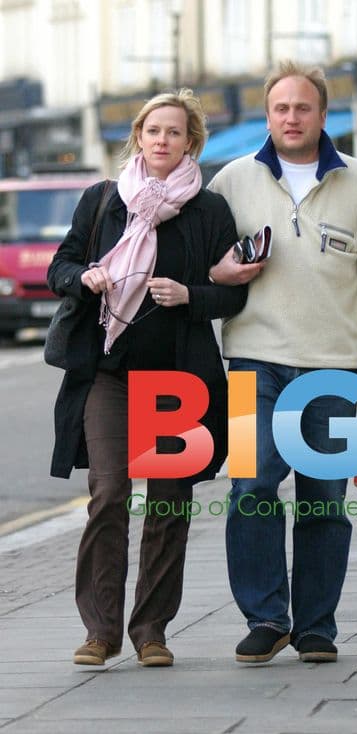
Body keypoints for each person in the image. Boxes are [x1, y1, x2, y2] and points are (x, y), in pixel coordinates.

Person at [208, 61, 357, 665]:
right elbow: (201, 261)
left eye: (302, 108)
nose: (290, 118)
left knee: (325, 499)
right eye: (280, 108)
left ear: (323, 115)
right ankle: (267, 616)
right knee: (252, 488)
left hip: (336, 369)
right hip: (251, 362)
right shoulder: (232, 180)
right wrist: (218, 272)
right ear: (267, 115)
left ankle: (317, 626)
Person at [47, 89, 247, 668]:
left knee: (169, 502)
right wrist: (83, 276)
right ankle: (100, 631)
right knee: (109, 494)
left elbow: (234, 294)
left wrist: (190, 296)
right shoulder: (103, 200)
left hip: (177, 379)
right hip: (107, 373)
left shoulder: (207, 211)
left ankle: (151, 631)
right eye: (153, 130)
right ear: (138, 135)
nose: (162, 140)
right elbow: (62, 264)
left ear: (192, 142)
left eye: (175, 133)